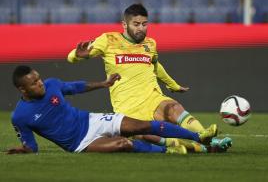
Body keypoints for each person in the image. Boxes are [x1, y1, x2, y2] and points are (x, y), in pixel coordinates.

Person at [67, 4, 232, 151]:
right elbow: (72, 57)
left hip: (152, 98)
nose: (141, 28)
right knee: (146, 136)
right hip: (127, 106)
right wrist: (76, 55)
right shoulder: (108, 39)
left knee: (173, 107)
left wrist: (173, 85)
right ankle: (198, 147)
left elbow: (156, 66)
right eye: (136, 24)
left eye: (144, 24)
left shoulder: (150, 44)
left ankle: (208, 139)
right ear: (125, 25)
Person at [7, 65, 217, 154]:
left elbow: (76, 87)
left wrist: (103, 83)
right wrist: (23, 150)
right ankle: (170, 151)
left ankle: (199, 137)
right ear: (22, 89)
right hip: (80, 143)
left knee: (142, 126)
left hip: (92, 120)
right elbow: (32, 147)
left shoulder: (52, 84)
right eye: (34, 83)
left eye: (39, 78)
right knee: (124, 144)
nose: (40, 83)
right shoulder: (20, 116)